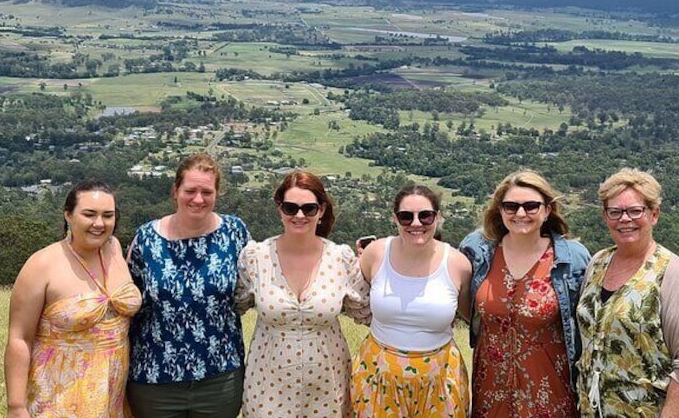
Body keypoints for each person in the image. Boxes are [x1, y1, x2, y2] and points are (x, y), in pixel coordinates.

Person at [575, 168, 679, 417]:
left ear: (654, 214)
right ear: (605, 216)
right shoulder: (598, 263)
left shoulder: (673, 274)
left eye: (635, 211)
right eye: (615, 212)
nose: (625, 219)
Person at [236, 170, 371, 418]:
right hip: (267, 388)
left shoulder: (340, 258)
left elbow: (368, 312)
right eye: (290, 208)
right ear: (279, 209)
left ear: (321, 211)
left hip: (328, 389)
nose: (299, 215)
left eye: (308, 209)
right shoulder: (255, 257)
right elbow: (232, 306)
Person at [126, 153, 251, 418]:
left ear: (218, 193)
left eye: (206, 191)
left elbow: (257, 284)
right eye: (190, 190)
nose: (198, 199)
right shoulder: (146, 238)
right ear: (175, 191)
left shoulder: (235, 233)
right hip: (154, 379)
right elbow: (127, 299)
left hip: (220, 378)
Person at [460, 169, 590, 418]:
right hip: (489, 392)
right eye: (511, 206)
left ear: (547, 210)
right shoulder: (478, 250)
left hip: (550, 392)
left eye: (531, 206)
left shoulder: (572, 258)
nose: (520, 214)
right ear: (500, 210)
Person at [5, 180, 141, 417]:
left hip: (114, 394)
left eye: (107, 216)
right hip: (58, 396)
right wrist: (16, 406)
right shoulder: (42, 264)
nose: (99, 223)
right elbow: (20, 339)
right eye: (89, 214)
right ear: (68, 215)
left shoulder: (114, 249)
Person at [352, 183, 472, 417]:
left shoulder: (458, 264)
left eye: (425, 216)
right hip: (376, 374)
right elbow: (358, 298)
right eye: (406, 217)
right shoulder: (375, 253)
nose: (416, 223)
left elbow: (471, 316)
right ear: (395, 219)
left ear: (437, 218)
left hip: (440, 378)